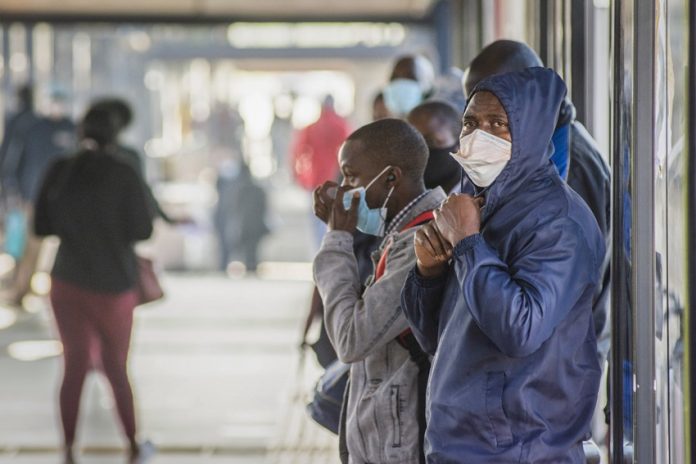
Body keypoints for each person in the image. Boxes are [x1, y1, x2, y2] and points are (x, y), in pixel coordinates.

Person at [401, 68, 605, 462]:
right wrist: (428, 274)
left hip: (521, 448)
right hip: (460, 442)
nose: (479, 137)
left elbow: (520, 329)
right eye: (471, 123)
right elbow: (435, 339)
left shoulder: (559, 221)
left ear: (530, 132)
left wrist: (468, 242)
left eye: (499, 124)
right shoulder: (477, 202)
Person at [463, 40, 612, 365]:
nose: (479, 131)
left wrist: (467, 242)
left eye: (497, 116)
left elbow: (538, 316)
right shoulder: (521, 158)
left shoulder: (571, 166)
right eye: (472, 116)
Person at [313, 118, 447, 464]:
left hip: (399, 446)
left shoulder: (424, 241)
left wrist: (338, 238)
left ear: (391, 178)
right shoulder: (402, 233)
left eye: (351, 176)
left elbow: (351, 338)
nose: (344, 189)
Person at [34, 107, 154, 464]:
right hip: (114, 285)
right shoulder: (124, 172)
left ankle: (68, 449)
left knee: (73, 366)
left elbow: (41, 225)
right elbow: (143, 230)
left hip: (67, 281)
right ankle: (132, 445)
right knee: (116, 366)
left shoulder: (61, 169)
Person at [0, 85, 77, 306]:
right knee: (31, 246)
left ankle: (66, 294)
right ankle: (21, 289)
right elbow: (17, 162)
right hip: (34, 196)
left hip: (66, 198)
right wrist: (14, 191)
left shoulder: (71, 129)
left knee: (70, 246)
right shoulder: (34, 129)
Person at [291, 95, 351, 249]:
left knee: (317, 220)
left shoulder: (312, 128)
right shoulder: (342, 126)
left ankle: (320, 253)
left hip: (316, 180)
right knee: (336, 220)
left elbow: (298, 152)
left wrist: (299, 176)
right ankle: (334, 252)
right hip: (338, 181)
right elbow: (351, 152)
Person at [214, 159, 269, 273]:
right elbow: (264, 207)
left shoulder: (236, 190)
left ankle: (244, 269)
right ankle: (251, 269)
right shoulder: (257, 190)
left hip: (243, 226)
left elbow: (232, 209)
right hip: (255, 226)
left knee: (239, 251)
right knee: (252, 252)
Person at [407, 101, 463, 193]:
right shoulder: (403, 198)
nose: (420, 149)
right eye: (411, 143)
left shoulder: (481, 198)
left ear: (460, 143)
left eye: (430, 141)